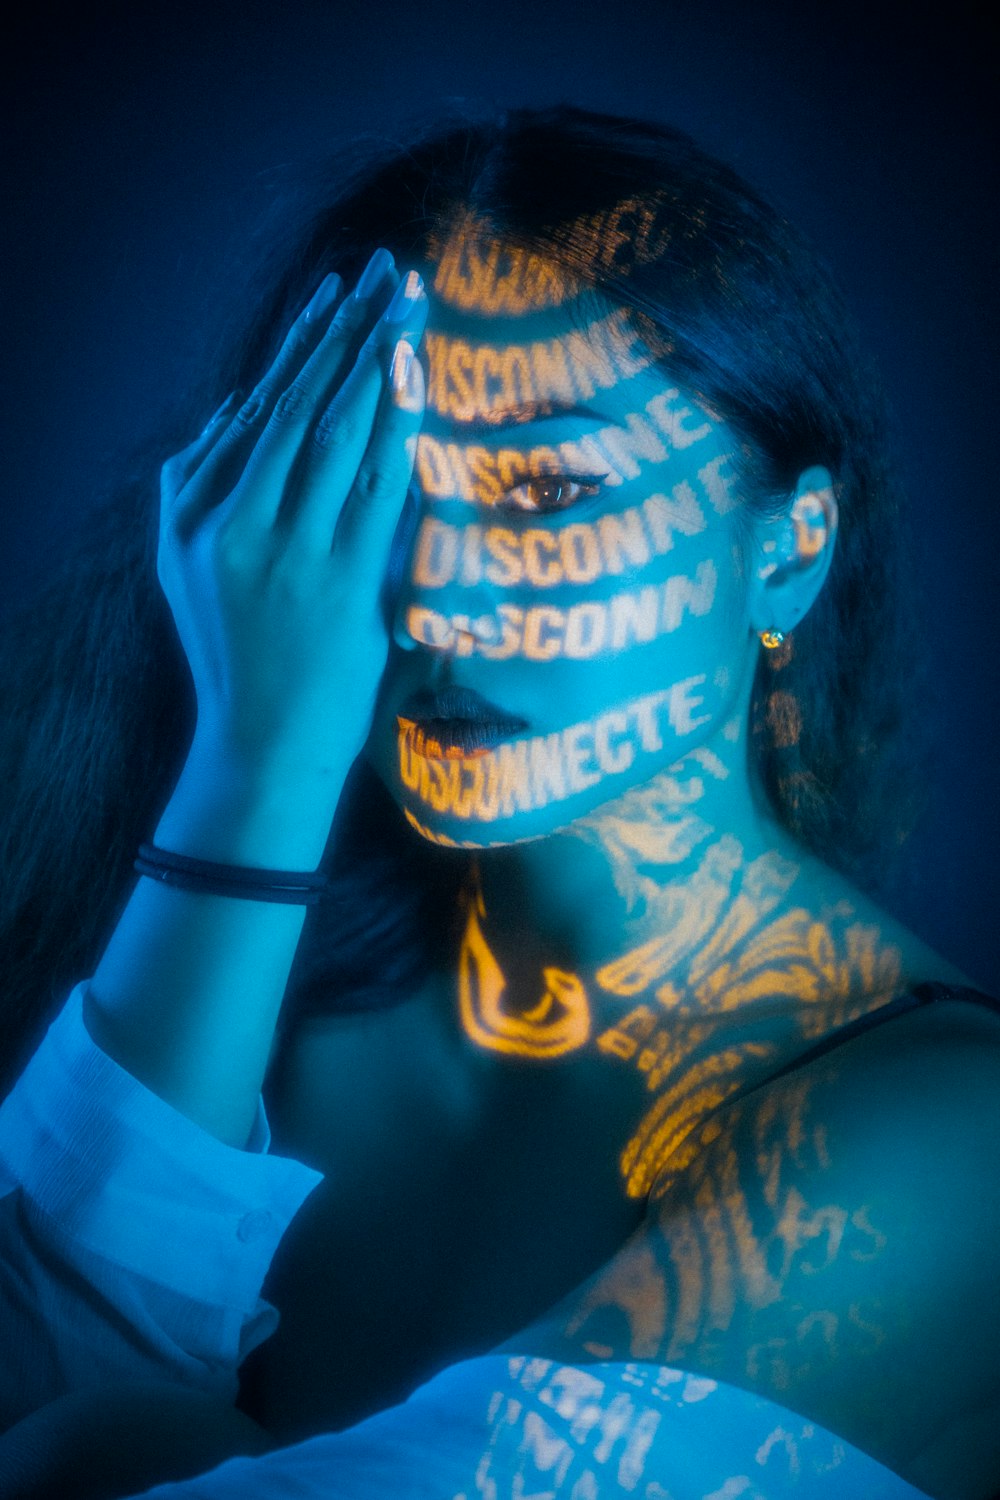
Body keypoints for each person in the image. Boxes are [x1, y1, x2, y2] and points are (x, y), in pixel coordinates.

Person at [0, 103, 997, 1500]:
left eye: (545, 489)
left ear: (785, 551)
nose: (438, 597)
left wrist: (96, 1445)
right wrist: (258, 755)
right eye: (385, 490)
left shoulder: (948, 1146)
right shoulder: (255, 1030)